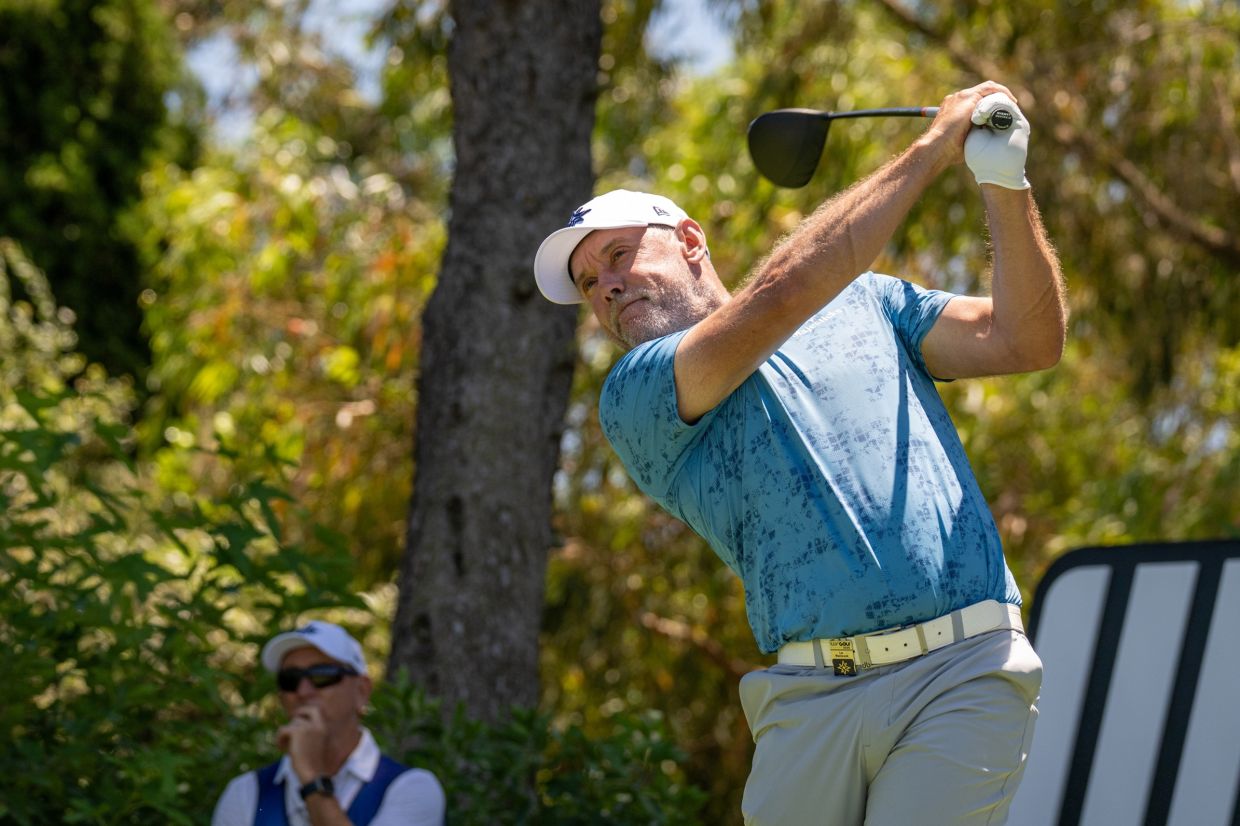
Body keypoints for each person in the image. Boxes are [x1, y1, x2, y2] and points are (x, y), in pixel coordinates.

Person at [532, 81, 1065, 825]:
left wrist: (1005, 182)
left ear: (690, 241)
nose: (609, 287)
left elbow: (1027, 340)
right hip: (811, 701)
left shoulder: (871, 303)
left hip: (961, 671)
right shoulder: (638, 393)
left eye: (619, 255)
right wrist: (933, 145)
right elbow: (783, 293)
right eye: (590, 283)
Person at [211, 620, 446, 826]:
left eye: (322, 675)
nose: (303, 691)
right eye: (290, 680)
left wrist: (312, 778)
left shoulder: (412, 789)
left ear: (362, 691)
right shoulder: (246, 793)